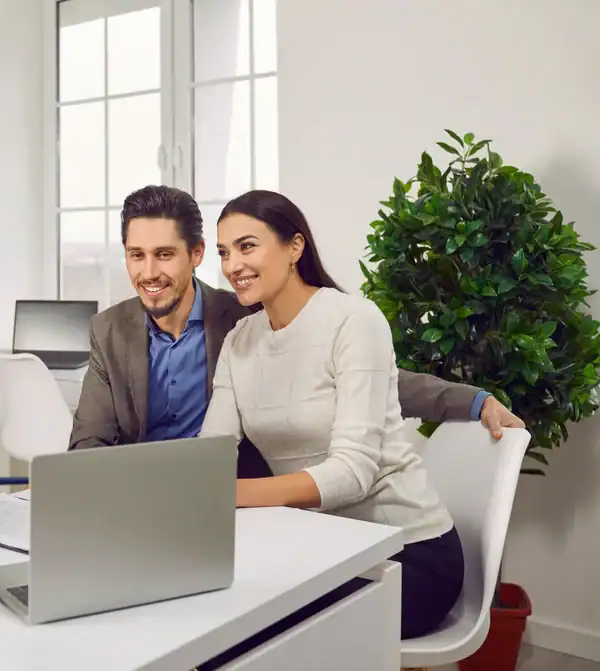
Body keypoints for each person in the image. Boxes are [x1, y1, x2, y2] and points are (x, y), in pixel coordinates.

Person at [68, 185, 524, 478]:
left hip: (236, 502)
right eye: (135, 255)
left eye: (164, 255)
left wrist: (473, 400)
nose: (148, 272)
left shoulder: (244, 317)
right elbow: (89, 441)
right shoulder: (108, 330)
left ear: (197, 254)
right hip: (138, 497)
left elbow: (366, 376)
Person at [200, 188, 467, 647]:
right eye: (224, 252)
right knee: (205, 607)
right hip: (319, 545)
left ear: (294, 247)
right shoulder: (240, 340)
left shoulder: (352, 320)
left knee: (240, 629)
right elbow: (212, 453)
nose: (232, 266)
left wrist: (229, 494)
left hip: (404, 554)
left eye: (247, 246)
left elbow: (353, 474)